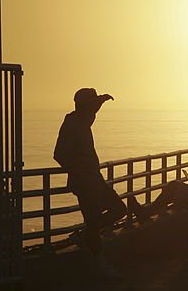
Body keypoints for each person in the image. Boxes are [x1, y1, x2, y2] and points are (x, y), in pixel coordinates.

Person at [54, 87, 145, 277]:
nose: (94, 108)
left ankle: (86, 234)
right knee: (93, 221)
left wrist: (101, 100)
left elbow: (91, 112)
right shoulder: (72, 124)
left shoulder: (84, 120)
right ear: (84, 105)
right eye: (92, 103)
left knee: (119, 209)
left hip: (95, 179)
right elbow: (59, 154)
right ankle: (100, 264)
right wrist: (79, 172)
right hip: (85, 182)